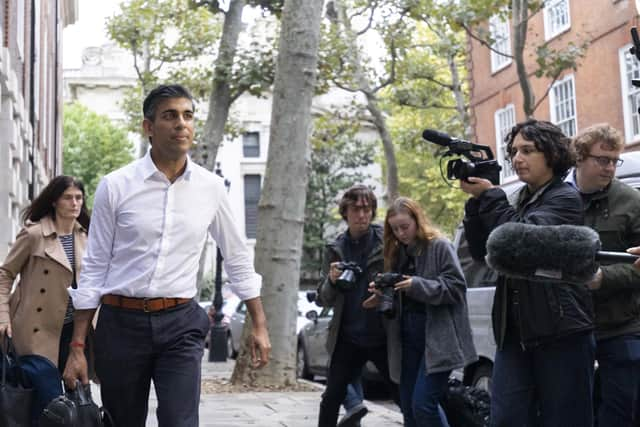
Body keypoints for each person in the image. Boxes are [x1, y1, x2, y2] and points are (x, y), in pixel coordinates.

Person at [63, 84, 271, 427]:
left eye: (188, 116)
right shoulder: (116, 186)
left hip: (181, 323)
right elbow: (95, 267)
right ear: (148, 127)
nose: (181, 124)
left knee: (180, 420)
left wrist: (260, 325)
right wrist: (78, 346)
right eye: (170, 116)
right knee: (123, 420)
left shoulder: (211, 188)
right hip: (121, 323)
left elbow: (236, 257)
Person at [460, 119, 594, 427]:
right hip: (515, 333)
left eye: (528, 150)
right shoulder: (518, 198)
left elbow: (519, 241)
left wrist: (491, 197)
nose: (517, 158)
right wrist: (475, 204)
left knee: (564, 419)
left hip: (561, 330)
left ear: (551, 154)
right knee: (505, 418)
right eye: (514, 151)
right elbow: (484, 253)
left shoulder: (564, 197)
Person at [363, 197, 477, 427]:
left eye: (405, 227)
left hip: (438, 339)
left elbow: (456, 288)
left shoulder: (439, 246)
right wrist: (381, 294)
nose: (401, 233)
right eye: (395, 229)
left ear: (418, 220)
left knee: (423, 404)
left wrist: (417, 285)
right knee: (408, 407)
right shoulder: (397, 253)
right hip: (407, 339)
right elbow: (398, 295)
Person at [0, 175, 90, 423]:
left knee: (77, 404)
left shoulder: (87, 237)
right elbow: (5, 274)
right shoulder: (34, 235)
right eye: (68, 198)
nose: (75, 203)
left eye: (79, 198)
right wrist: (3, 317)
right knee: (47, 406)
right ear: (54, 201)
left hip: (74, 333)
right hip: (37, 332)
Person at [568, 123, 640, 426]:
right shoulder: (557, 199)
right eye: (602, 160)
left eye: (614, 160)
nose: (610, 168)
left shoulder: (631, 201)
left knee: (620, 412)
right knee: (572, 411)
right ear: (580, 158)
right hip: (567, 328)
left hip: (620, 325)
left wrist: (603, 279)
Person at [316, 184, 394, 427]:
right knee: (330, 399)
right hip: (348, 336)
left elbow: (400, 280)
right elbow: (323, 299)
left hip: (382, 334)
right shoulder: (335, 249)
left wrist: (384, 296)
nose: (362, 215)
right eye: (356, 209)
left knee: (402, 393)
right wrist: (331, 280)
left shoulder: (387, 242)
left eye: (367, 209)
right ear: (345, 212)